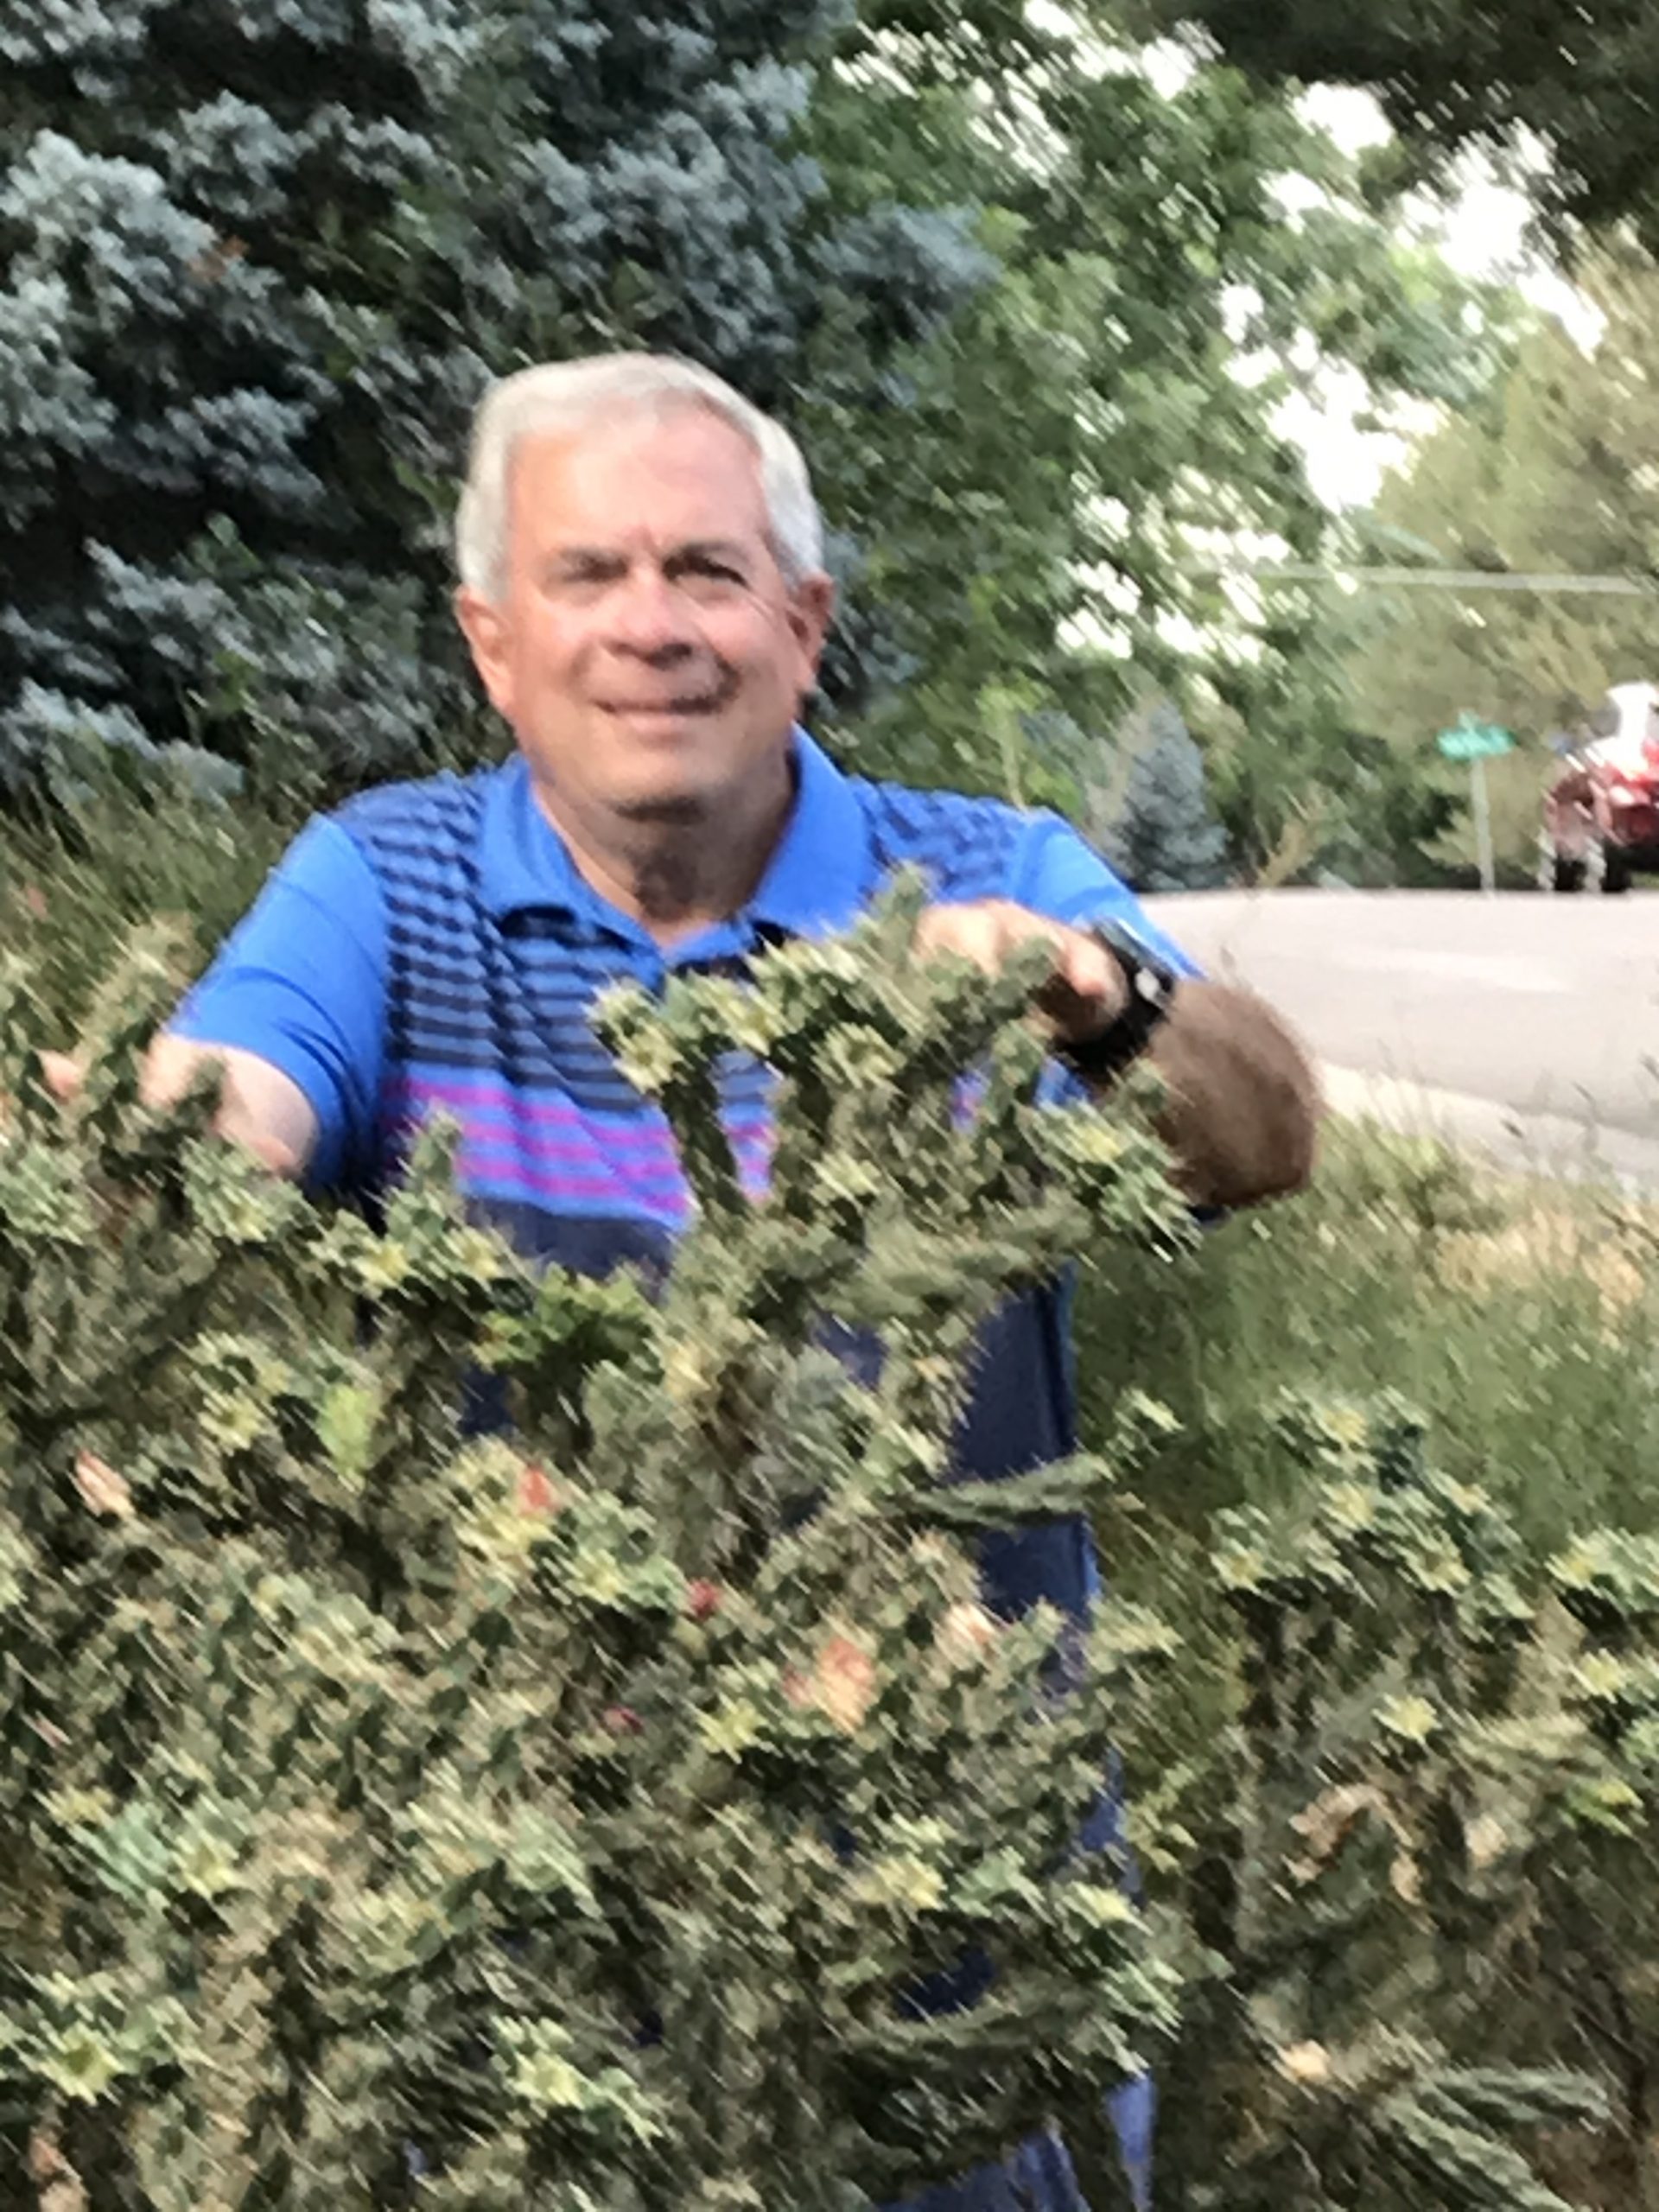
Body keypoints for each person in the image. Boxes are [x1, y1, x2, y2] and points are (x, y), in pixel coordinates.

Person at [133, 354, 1319, 2207]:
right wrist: (159, 1150)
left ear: (804, 620)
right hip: (508, 1906)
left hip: (959, 1909)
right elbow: (232, 1090)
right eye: (587, 575)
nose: (651, 627)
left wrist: (1090, 997)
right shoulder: (382, 880)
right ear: (492, 640)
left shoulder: (995, 872)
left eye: (704, 568)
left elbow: (1261, 1128)